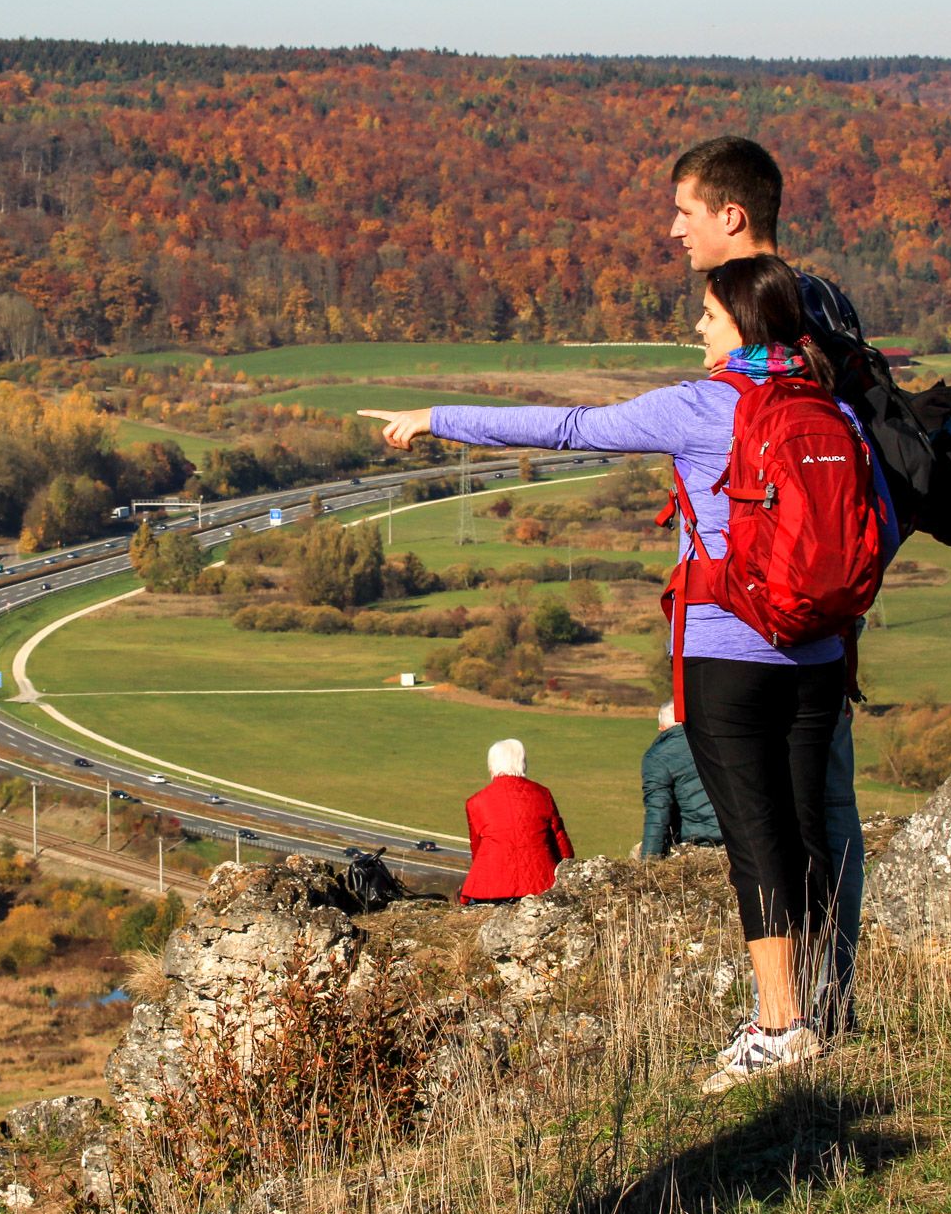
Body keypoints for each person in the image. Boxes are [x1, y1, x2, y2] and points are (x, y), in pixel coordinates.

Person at [361, 252, 892, 1093]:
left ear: (742, 328)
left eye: (708, 319)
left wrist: (436, 416)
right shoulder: (832, 406)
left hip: (728, 651)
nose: (697, 331)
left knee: (756, 849)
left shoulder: (701, 407)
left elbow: (569, 427)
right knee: (808, 837)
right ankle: (821, 1012)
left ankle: (779, 1026)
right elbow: (876, 524)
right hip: (820, 655)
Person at [671, 136, 868, 1036]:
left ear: (731, 216)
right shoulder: (823, 321)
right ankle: (824, 1010)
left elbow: (571, 425)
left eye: (685, 212)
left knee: (785, 827)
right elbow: (860, 481)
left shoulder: (772, 337)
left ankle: (803, 1015)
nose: (675, 231)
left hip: (758, 631)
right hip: (827, 623)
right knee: (816, 820)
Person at [458, 739, 575, 906]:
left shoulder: (476, 802)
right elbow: (561, 844)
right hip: (540, 885)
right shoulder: (542, 794)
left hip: (490, 888)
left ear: (491, 766)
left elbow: (477, 851)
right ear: (523, 763)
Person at [641, 701, 723, 858]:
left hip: (703, 840)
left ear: (662, 729)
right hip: (741, 835)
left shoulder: (658, 757)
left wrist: (648, 863)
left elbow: (658, 812)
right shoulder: (719, 741)